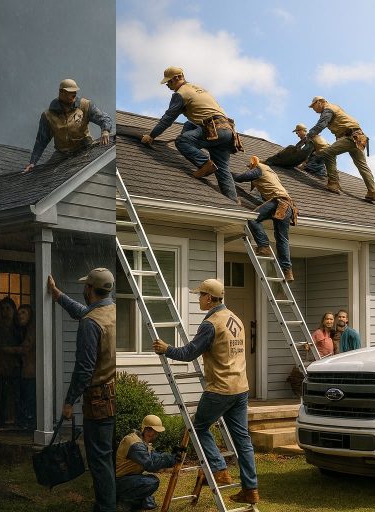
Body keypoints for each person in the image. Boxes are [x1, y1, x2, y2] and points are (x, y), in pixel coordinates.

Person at [152, 278, 260, 506]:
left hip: (220, 388)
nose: (198, 299)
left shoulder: (211, 324)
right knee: (243, 440)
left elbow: (189, 353)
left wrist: (166, 349)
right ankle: (250, 489)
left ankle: (220, 469)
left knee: (198, 427)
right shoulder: (235, 318)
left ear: (209, 298)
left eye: (200, 295)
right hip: (240, 388)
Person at [48, 268, 117, 512]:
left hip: (98, 400)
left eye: (85, 286)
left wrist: (69, 402)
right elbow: (83, 312)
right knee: (106, 455)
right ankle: (108, 503)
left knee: (99, 459)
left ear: (89, 289)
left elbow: (84, 369)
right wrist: (58, 295)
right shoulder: (111, 312)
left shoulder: (91, 322)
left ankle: (106, 507)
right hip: (113, 395)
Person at [140, 67, 240, 202]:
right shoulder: (198, 88)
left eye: (168, 82)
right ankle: (233, 201)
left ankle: (205, 164)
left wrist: (152, 136)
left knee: (182, 141)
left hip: (213, 129)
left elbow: (168, 118)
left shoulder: (181, 94)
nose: (167, 85)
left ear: (176, 78)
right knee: (222, 168)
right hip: (228, 132)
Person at [23, 79, 112, 173]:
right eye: (70, 92)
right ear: (61, 92)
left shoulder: (85, 105)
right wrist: (32, 162)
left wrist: (105, 130)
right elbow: (41, 141)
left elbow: (104, 118)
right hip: (63, 153)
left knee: (95, 166)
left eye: (75, 91)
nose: (74, 94)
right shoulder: (48, 115)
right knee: (45, 173)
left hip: (85, 147)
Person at [233, 156, 297, 282]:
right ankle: (288, 271)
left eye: (250, 167)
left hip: (278, 202)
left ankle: (264, 246)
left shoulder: (259, 168)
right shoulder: (271, 173)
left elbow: (241, 178)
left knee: (252, 218)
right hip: (288, 205)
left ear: (254, 164)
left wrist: (226, 174)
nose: (250, 169)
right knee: (282, 239)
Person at [306, 96, 375, 202]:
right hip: (360, 137)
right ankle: (372, 192)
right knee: (362, 165)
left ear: (320, 102)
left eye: (313, 106)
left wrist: (309, 135)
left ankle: (333, 183)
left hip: (350, 136)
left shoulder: (328, 109)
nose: (314, 109)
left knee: (328, 153)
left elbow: (321, 125)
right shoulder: (335, 107)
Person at [115, 415, 178, 511]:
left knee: (150, 481)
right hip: (119, 482)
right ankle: (123, 501)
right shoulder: (135, 444)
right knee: (151, 482)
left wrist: (172, 455)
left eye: (156, 432)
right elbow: (151, 464)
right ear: (144, 429)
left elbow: (155, 456)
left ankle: (138, 501)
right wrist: (172, 459)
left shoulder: (141, 441)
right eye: (150, 430)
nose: (154, 434)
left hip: (128, 478)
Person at [2, 304, 36, 430]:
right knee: (21, 398)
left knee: (28, 398)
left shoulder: (32, 329)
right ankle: (23, 423)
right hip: (22, 371)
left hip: (30, 372)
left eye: (23, 313)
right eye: (19, 313)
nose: (20, 315)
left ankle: (29, 423)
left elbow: (25, 349)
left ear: (30, 316)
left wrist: (5, 350)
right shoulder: (20, 330)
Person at [0, 296, 21, 428]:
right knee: (2, 395)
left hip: (16, 365)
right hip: (1, 366)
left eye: (8, 308)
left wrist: (10, 350)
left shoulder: (18, 328)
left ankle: (17, 420)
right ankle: (1, 420)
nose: (5, 312)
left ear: (13, 310)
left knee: (16, 395)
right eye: (2, 309)